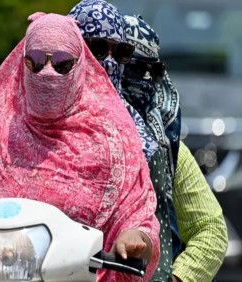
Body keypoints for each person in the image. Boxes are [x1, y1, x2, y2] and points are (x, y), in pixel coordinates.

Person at [0, 12, 161, 281]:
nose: (47, 72)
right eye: (34, 62)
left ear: (80, 66)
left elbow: (138, 217)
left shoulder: (113, 141)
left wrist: (136, 238)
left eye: (61, 63)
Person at [68, 1, 228, 281]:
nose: (140, 78)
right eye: (128, 64)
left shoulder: (163, 146)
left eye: (151, 70)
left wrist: (173, 278)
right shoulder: (47, 131)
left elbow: (210, 228)